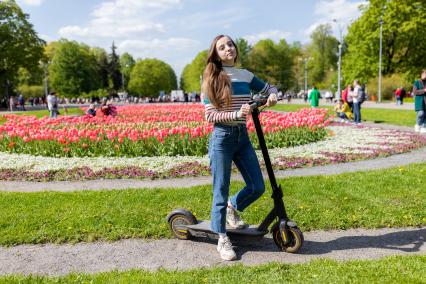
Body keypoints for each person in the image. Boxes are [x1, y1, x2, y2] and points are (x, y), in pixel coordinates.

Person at [202, 35, 277, 261]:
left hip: (242, 137)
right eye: (222, 47)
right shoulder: (211, 77)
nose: (228, 49)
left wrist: (271, 95)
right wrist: (236, 114)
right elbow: (210, 115)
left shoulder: (244, 75)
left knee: (257, 186)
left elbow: (268, 87)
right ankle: (222, 238)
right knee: (220, 189)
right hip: (222, 138)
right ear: (215, 53)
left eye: (230, 45)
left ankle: (232, 207)